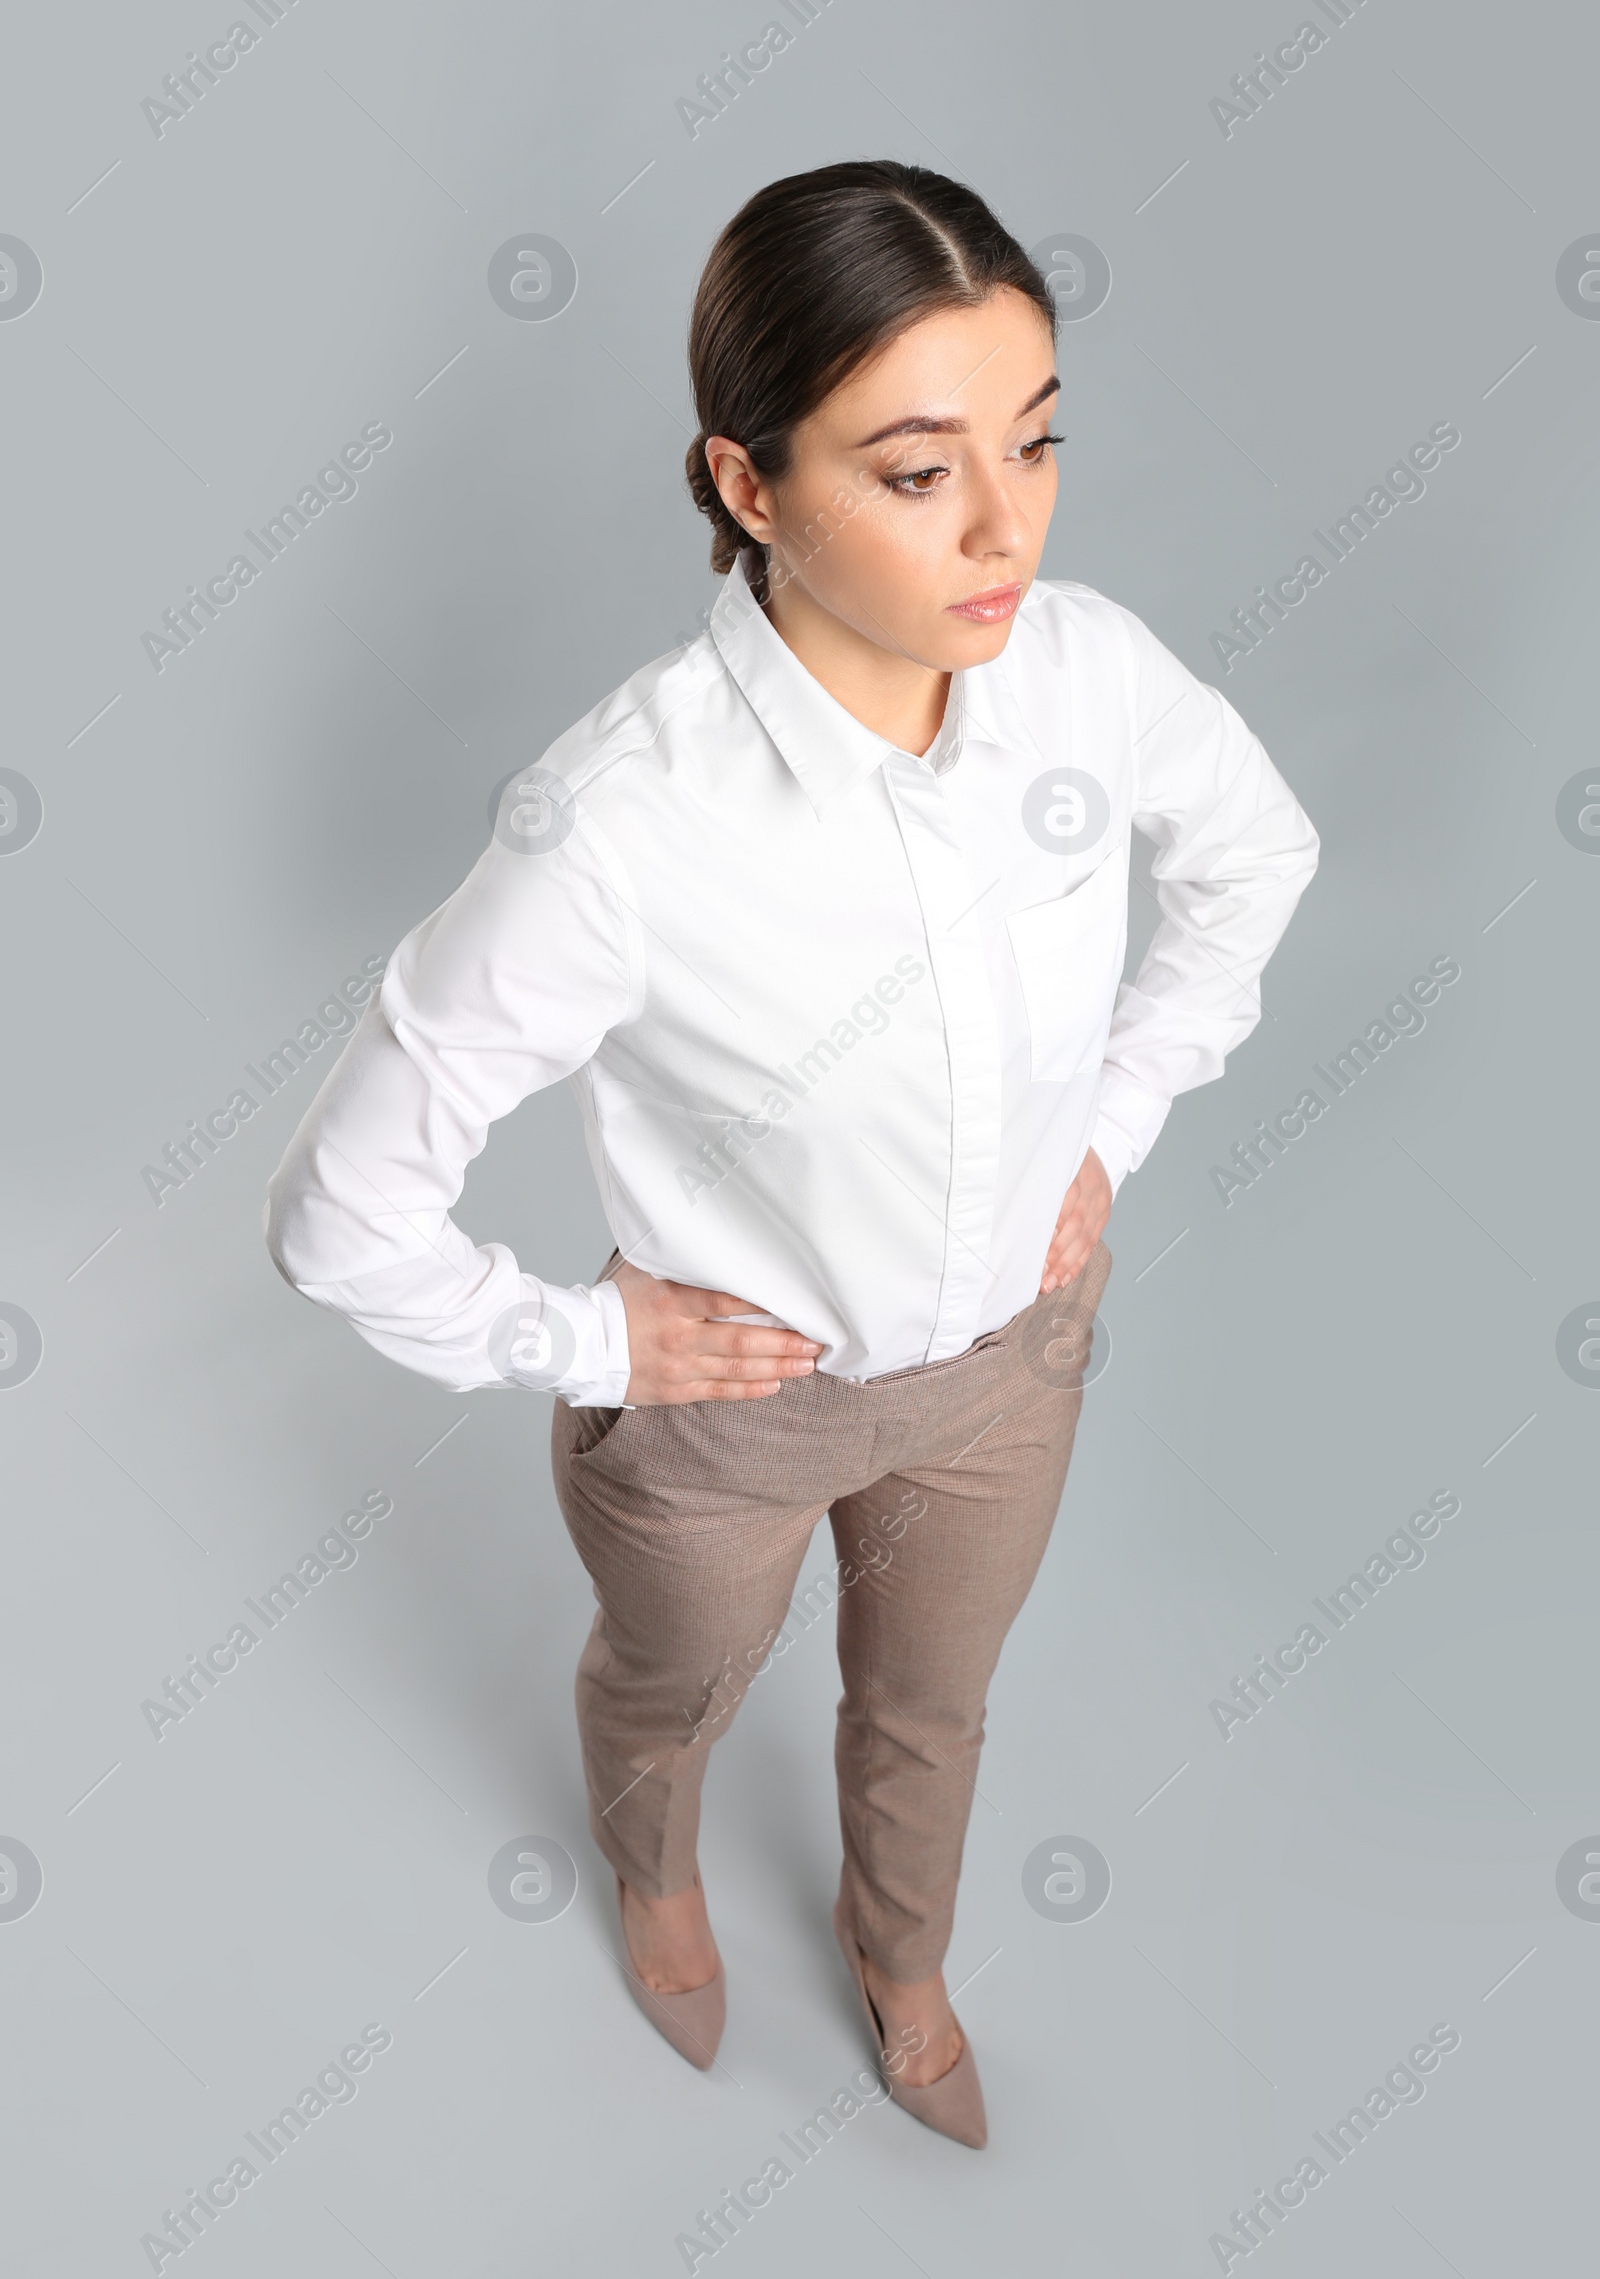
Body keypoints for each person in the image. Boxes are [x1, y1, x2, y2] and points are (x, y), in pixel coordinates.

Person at [264, 160, 1318, 2147]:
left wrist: (1113, 1119)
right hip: (727, 1422)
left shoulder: (1080, 672)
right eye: (915, 472)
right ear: (748, 489)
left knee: (930, 1707)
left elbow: (1257, 853)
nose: (1005, 527)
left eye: (1036, 439)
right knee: (668, 1694)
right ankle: (653, 1872)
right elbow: (341, 1216)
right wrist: (585, 1350)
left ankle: (899, 1960)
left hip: (1008, 1372)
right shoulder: (620, 827)